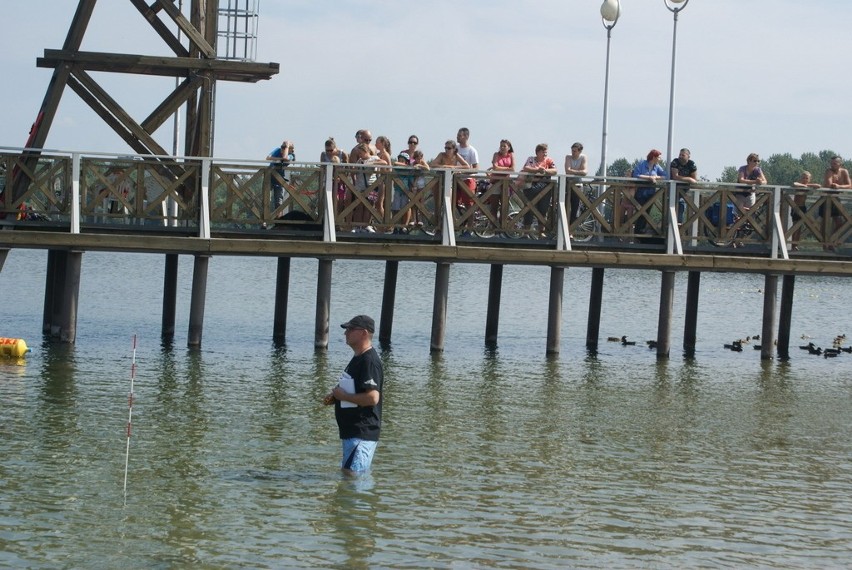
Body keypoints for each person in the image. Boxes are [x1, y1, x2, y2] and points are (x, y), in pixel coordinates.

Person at [322, 315, 384, 475]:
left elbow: (372, 398)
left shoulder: (369, 360)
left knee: (353, 478)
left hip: (362, 433)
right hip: (352, 433)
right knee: (350, 477)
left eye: (350, 329)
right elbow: (355, 388)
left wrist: (343, 396)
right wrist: (336, 396)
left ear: (364, 333)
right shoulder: (358, 358)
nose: (346, 333)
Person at [520, 143, 557, 235]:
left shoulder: (549, 160)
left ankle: (541, 232)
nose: (545, 154)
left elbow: (555, 171)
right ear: (538, 152)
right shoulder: (531, 159)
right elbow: (526, 168)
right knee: (529, 208)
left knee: (543, 209)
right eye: (543, 152)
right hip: (531, 185)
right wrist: (537, 170)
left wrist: (544, 171)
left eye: (546, 152)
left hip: (545, 187)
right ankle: (526, 232)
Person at [630, 149, 667, 234]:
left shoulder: (657, 166)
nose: (660, 159)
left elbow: (665, 176)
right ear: (654, 157)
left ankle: (640, 232)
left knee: (647, 212)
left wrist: (655, 177)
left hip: (651, 192)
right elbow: (636, 175)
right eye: (659, 157)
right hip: (641, 191)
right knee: (641, 211)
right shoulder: (642, 164)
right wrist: (649, 177)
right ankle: (638, 232)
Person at [821, 156, 851, 251]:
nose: (832, 165)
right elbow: (830, 185)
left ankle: (832, 242)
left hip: (836, 199)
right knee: (825, 223)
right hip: (826, 198)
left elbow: (850, 185)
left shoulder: (844, 172)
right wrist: (838, 186)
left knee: (839, 223)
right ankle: (826, 245)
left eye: (834, 163)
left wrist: (839, 186)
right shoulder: (828, 171)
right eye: (831, 163)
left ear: (839, 164)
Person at [320, 138, 348, 227]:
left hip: (340, 181)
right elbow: (322, 168)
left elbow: (347, 169)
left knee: (340, 201)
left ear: (335, 148)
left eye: (331, 150)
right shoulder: (323, 155)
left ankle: (338, 222)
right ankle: (327, 221)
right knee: (328, 200)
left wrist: (341, 178)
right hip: (328, 180)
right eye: (327, 150)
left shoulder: (342, 154)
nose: (329, 152)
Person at [790, 171, 820, 250]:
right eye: (803, 177)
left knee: (800, 226)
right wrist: (804, 185)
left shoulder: (807, 185)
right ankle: (793, 244)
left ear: (809, 179)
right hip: (796, 207)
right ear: (801, 178)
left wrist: (807, 185)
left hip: (803, 207)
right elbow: (794, 184)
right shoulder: (799, 185)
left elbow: (818, 186)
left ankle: (796, 244)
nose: (805, 179)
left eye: (807, 178)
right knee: (795, 226)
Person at [669, 147, 697, 223]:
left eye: (683, 155)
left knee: (681, 208)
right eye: (680, 154)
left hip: (684, 191)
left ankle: (679, 227)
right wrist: (688, 179)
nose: (680, 156)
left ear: (688, 156)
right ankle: (669, 227)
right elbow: (675, 176)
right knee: (670, 208)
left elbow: (694, 179)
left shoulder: (691, 164)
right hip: (672, 189)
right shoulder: (675, 162)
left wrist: (689, 179)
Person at [266, 140, 295, 211]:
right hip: (270, 176)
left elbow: (285, 157)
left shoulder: (291, 155)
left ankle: (278, 220)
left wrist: (287, 147)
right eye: (282, 146)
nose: (282, 148)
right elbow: (268, 157)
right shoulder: (278, 150)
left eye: (284, 147)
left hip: (280, 180)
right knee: (266, 200)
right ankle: (265, 220)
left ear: (290, 150)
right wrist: (280, 159)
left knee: (279, 202)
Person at [564, 142, 589, 225]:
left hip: (578, 185)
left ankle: (571, 230)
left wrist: (573, 171)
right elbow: (567, 170)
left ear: (579, 151)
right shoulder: (568, 157)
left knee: (575, 207)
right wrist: (579, 171)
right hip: (568, 184)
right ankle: (563, 227)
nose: (573, 153)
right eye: (572, 151)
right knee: (565, 206)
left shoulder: (583, 157)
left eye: (575, 151)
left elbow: (585, 172)